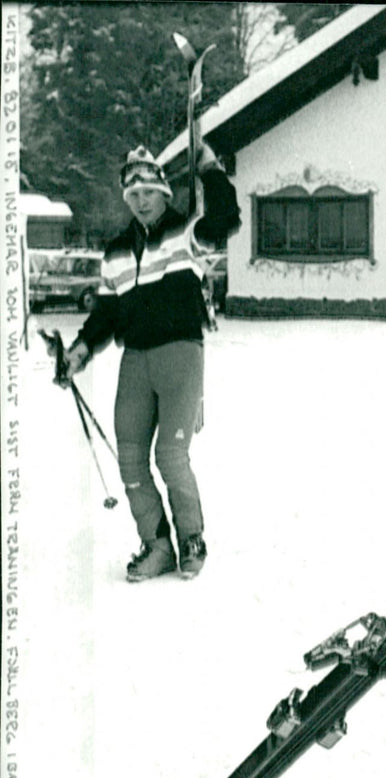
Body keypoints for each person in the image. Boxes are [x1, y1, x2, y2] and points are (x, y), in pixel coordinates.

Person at [63, 143, 240, 581]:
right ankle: (157, 544)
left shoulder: (186, 232)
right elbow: (106, 312)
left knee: (171, 455)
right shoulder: (117, 251)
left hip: (180, 352)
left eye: (148, 192)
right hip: (136, 358)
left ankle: (191, 537)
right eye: (133, 194)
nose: (141, 201)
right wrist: (81, 349)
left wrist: (210, 170)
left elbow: (226, 218)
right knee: (130, 458)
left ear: (164, 192)